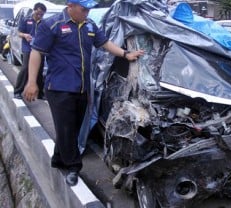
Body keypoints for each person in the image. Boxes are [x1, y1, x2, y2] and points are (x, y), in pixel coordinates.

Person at [23, 0, 144, 186]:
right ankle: (73, 167)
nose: (87, 12)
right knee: (66, 127)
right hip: (59, 87)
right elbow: (36, 52)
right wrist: (31, 82)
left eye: (88, 9)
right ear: (70, 5)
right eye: (83, 9)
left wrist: (125, 54)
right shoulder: (52, 24)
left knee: (73, 128)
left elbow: (104, 43)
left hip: (82, 88)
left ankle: (58, 159)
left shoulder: (89, 25)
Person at [13, 2, 46, 99]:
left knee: (39, 70)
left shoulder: (44, 23)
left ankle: (40, 93)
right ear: (34, 10)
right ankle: (18, 91)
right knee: (25, 68)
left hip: (40, 48)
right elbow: (19, 32)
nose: (39, 16)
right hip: (28, 47)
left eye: (42, 14)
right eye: (38, 13)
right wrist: (25, 35)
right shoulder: (26, 19)